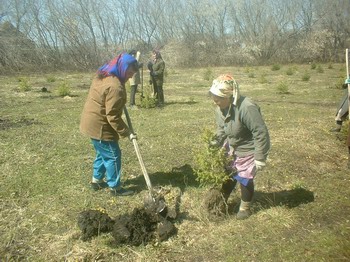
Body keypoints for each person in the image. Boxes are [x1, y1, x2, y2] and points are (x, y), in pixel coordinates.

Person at [209, 74, 270, 220]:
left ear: (229, 96)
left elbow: (260, 131)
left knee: (244, 178)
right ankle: (220, 202)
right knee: (229, 175)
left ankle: (245, 208)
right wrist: (216, 141)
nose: (215, 101)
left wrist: (260, 156)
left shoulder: (247, 107)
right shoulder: (219, 108)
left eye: (218, 98)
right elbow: (222, 128)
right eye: (213, 97)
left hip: (248, 149)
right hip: (233, 147)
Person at [80, 52, 138, 196]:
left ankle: (97, 181)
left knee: (102, 152)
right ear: (123, 68)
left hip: (90, 122)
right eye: (130, 73)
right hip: (100, 125)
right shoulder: (115, 87)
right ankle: (115, 187)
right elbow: (112, 116)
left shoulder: (104, 74)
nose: (131, 77)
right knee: (113, 155)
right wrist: (127, 132)